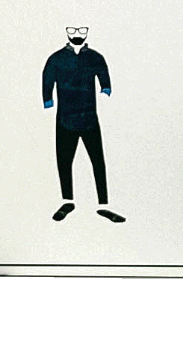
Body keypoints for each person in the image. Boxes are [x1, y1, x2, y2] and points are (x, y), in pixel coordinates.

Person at [42, 26, 125, 223]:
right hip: (65, 117)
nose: (77, 34)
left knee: (97, 160)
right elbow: (47, 79)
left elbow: (104, 76)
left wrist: (106, 88)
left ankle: (103, 204)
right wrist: (47, 99)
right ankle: (67, 201)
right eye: (73, 30)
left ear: (86, 33)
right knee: (64, 161)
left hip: (89, 116)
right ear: (67, 33)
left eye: (81, 30)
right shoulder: (56, 58)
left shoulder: (95, 57)